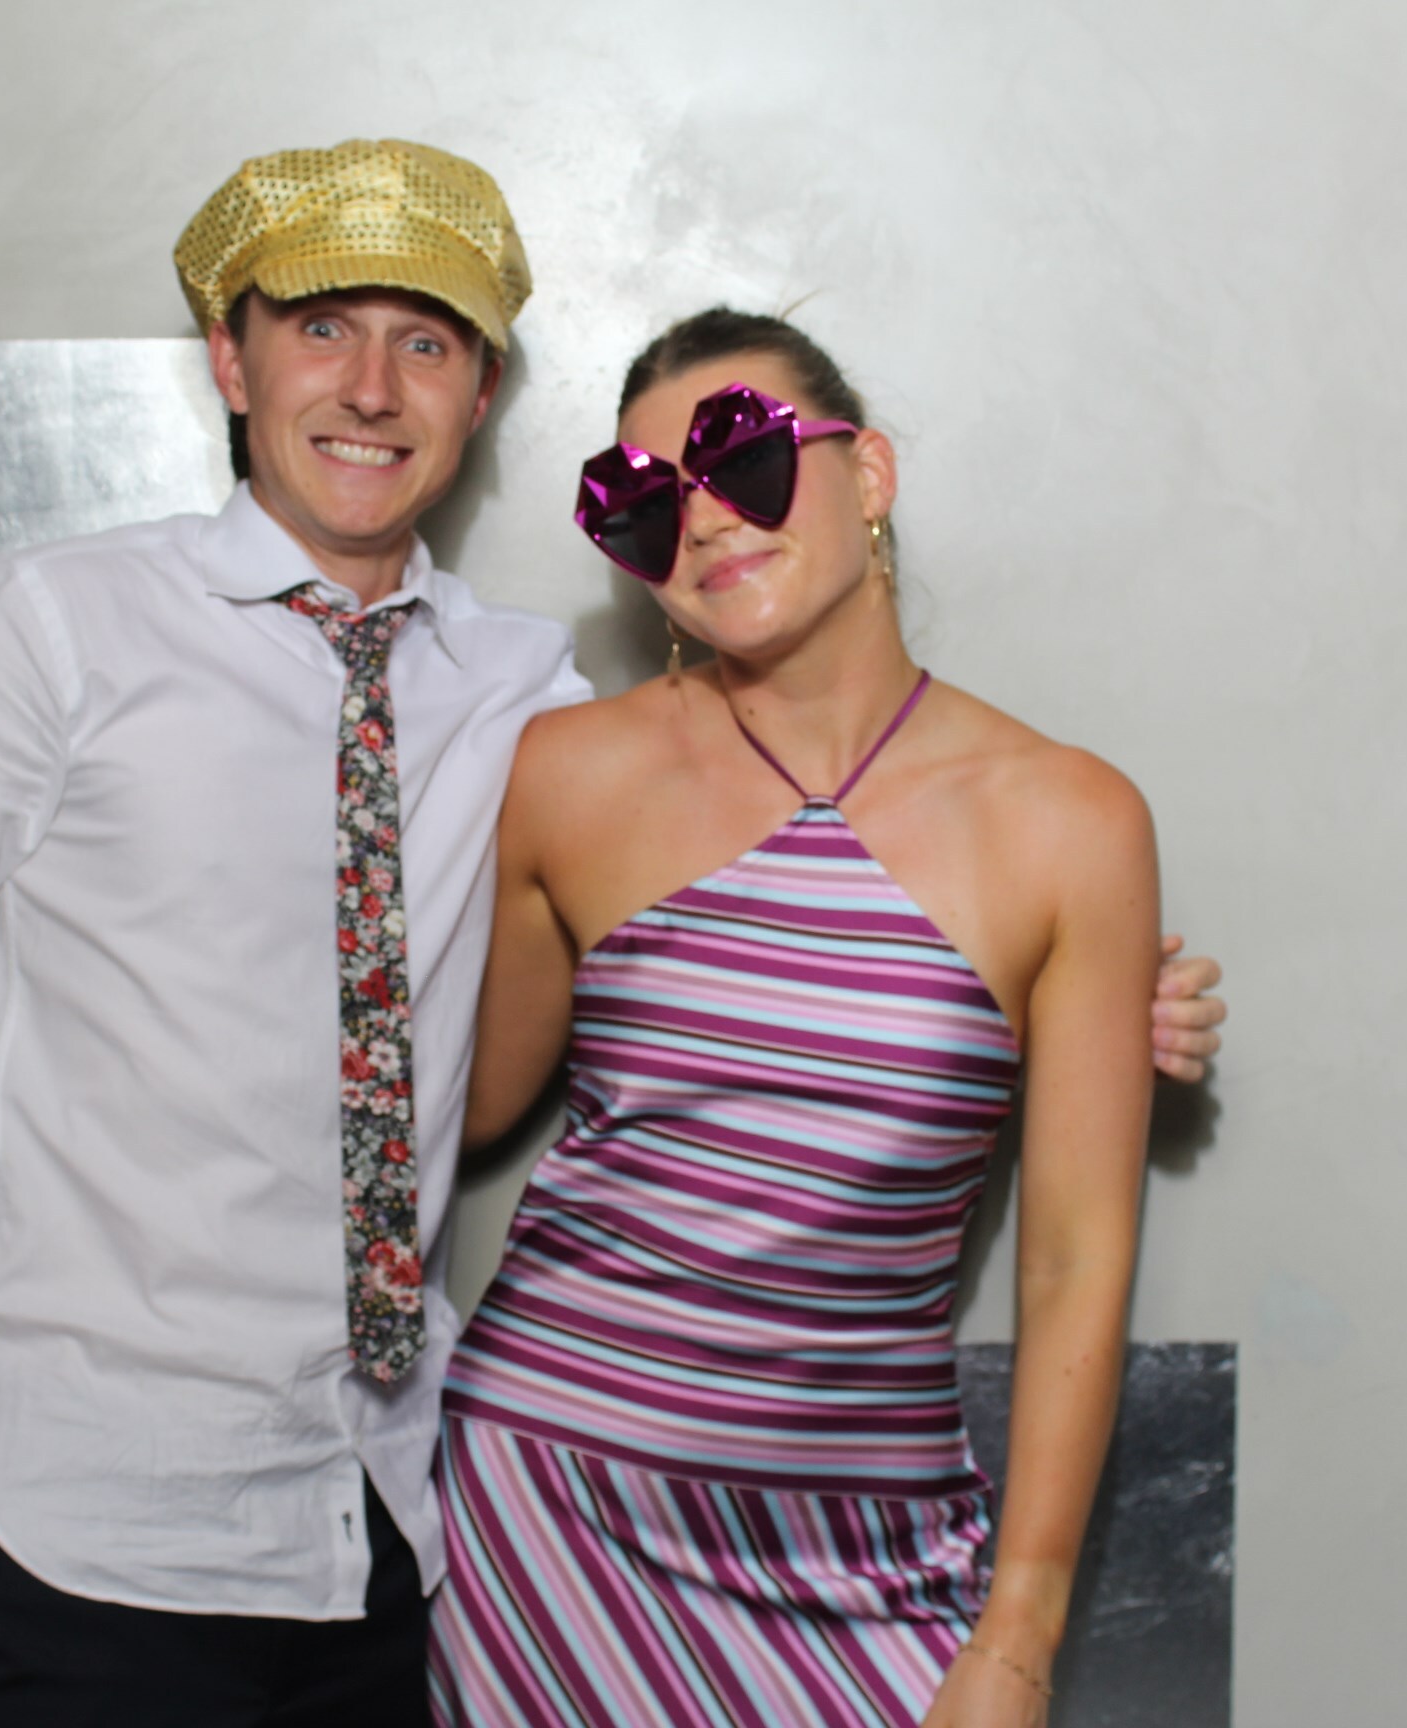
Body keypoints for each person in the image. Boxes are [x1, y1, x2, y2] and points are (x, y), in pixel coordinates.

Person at [0, 139, 1225, 1725]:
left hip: (379, 1543)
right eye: (320, 329)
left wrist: (1072, 996)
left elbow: (714, 946)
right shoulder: (55, 629)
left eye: (423, 343)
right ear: (232, 360)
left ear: (481, 394)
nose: (370, 387)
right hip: (60, 1532)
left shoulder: (520, 698)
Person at [432, 308, 1167, 1728]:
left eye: (744, 459)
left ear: (868, 472)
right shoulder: (566, 775)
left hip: (871, 1550)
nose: (705, 518)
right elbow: (452, 1112)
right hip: (546, 1521)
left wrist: (1019, 1639)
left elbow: (1077, 1258)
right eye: (647, 503)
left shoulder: (1071, 821)